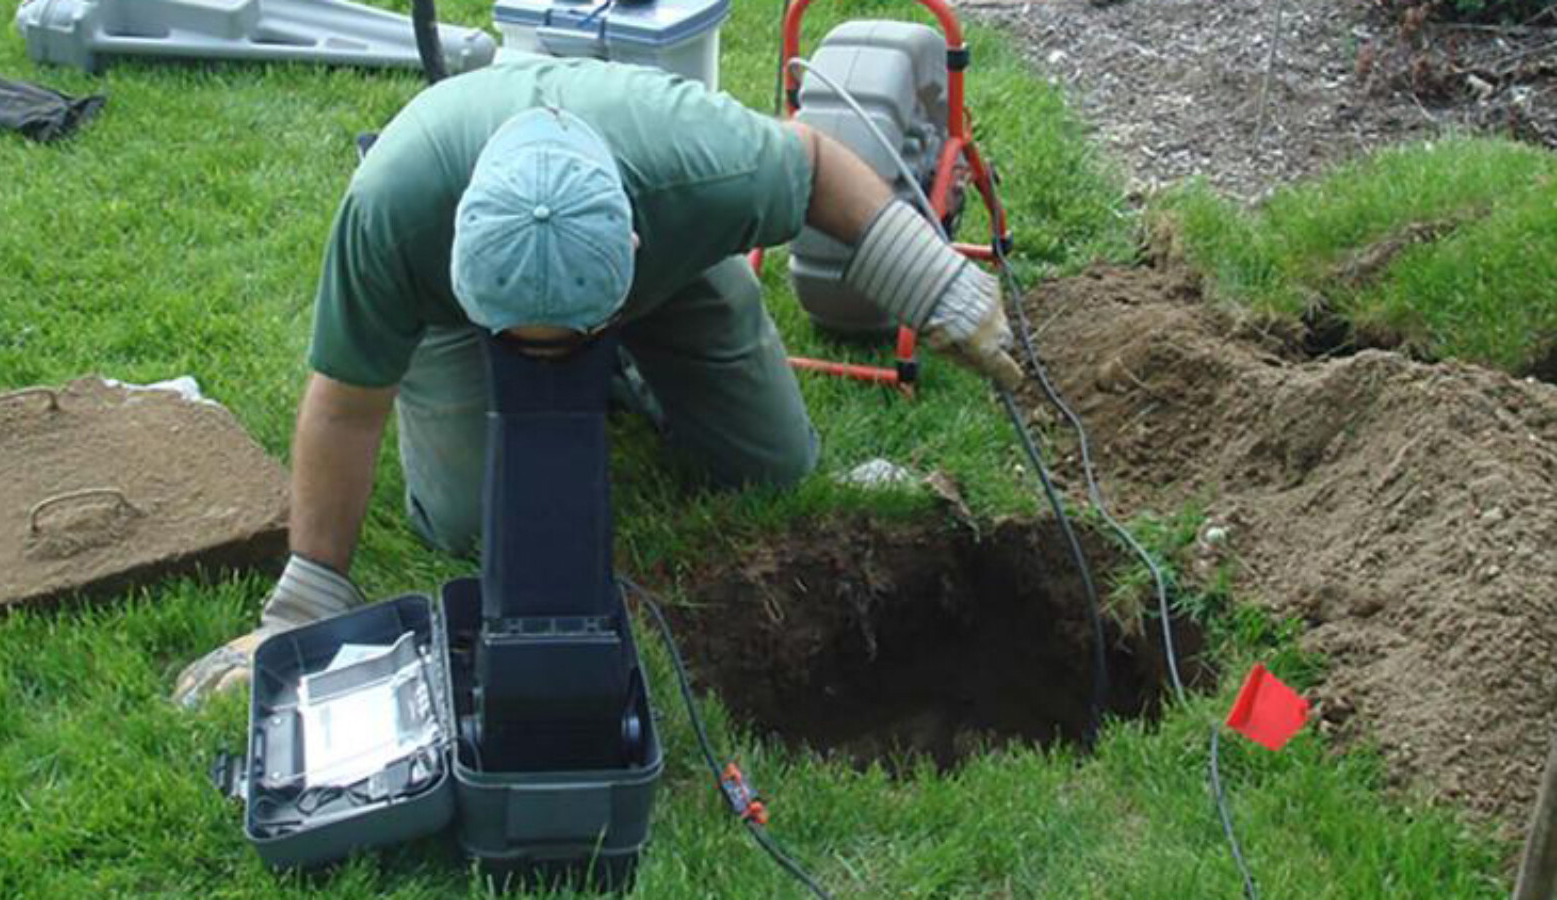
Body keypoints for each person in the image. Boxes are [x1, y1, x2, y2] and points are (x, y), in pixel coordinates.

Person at [172, 54, 1022, 706]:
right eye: (532, 347)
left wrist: (937, 285)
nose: (551, 368)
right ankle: (558, 356)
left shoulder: (707, 166)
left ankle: (635, 366)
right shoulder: (394, 214)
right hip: (460, 318)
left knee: (774, 471)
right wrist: (306, 602)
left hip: (675, 277)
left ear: (633, 256)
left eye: (571, 343)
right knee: (464, 522)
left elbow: (821, 165)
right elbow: (346, 408)